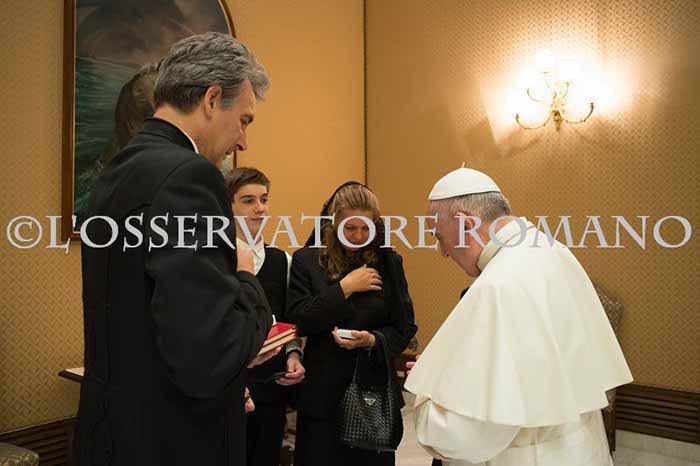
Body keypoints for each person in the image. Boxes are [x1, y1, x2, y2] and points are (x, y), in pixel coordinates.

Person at [75, 32, 275, 466]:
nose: (243, 141)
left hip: (112, 431)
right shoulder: (190, 176)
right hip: (175, 438)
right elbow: (211, 355)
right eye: (244, 120)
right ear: (212, 99)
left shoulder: (115, 171)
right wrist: (246, 277)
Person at [404, 168, 633, 466]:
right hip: (582, 448)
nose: (443, 252)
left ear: (463, 224)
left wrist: (428, 391)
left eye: (440, 237)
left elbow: (463, 436)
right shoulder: (554, 250)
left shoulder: (498, 285)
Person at [287, 182, 418, 466]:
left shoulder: (388, 262)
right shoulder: (306, 260)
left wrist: (372, 340)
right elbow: (299, 320)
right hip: (322, 396)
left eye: (365, 228)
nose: (358, 236)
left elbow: (405, 327)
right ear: (334, 222)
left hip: (372, 395)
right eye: (350, 228)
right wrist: (344, 288)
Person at [224, 167, 306, 466]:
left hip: (271, 388)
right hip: (227, 387)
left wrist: (294, 354)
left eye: (264, 199)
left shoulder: (282, 260)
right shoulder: (213, 261)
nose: (260, 208)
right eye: (248, 201)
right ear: (227, 207)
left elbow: (288, 319)